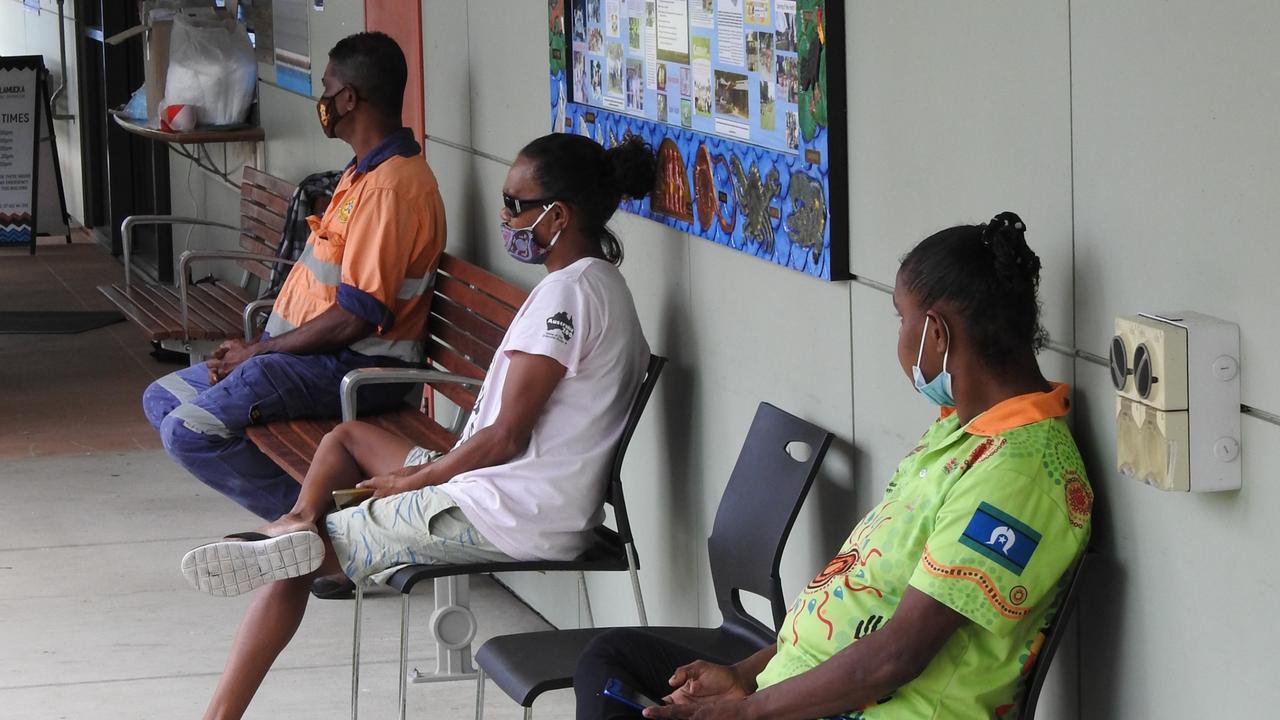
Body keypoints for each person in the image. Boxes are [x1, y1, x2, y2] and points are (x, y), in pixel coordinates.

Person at [179, 133, 655, 720]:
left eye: (515, 205)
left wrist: (417, 479)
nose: (505, 217)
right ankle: (296, 520)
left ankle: (226, 692)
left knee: (299, 560)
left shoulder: (570, 297)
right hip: (501, 489)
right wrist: (427, 474)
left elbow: (506, 436)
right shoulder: (595, 283)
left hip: (507, 509)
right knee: (347, 439)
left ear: (557, 216)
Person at [575, 212, 1093, 720]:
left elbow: (897, 657)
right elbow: (858, 596)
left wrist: (749, 712)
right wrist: (747, 676)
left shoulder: (1018, 475)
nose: (900, 339)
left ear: (936, 332)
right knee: (611, 658)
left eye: (901, 318)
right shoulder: (959, 431)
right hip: (799, 686)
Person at [141, 32, 447, 522]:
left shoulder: (392, 188)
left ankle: (323, 534)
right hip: (307, 359)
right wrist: (256, 350)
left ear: (349, 98)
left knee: (188, 430)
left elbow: (358, 316)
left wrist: (257, 353)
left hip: (353, 368)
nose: (321, 101)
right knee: (164, 397)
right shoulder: (363, 173)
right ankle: (320, 513)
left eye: (327, 89)